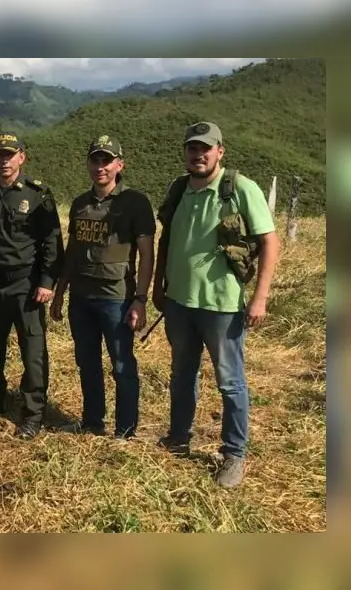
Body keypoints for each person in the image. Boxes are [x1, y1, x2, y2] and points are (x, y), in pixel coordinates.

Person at [153, 121, 281, 488]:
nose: (199, 154)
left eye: (206, 148)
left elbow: (270, 242)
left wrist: (260, 297)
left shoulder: (239, 188)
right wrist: (160, 285)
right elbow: (167, 240)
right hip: (179, 302)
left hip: (222, 305)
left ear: (220, 151)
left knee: (230, 382)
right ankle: (179, 437)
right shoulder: (179, 189)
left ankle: (234, 455)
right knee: (182, 374)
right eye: (193, 148)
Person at [50, 135, 155, 439]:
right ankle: (93, 421)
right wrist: (60, 291)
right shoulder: (82, 203)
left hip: (116, 298)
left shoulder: (134, 202)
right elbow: (73, 250)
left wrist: (140, 299)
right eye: (95, 160)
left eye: (106, 161)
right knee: (87, 362)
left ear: (119, 164)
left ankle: (125, 430)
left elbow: (147, 254)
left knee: (122, 364)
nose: (100, 167)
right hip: (81, 298)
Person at [0, 132, 64, 439]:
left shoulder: (37, 194)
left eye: (10, 155)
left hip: (26, 286)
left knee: (33, 352)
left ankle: (32, 413)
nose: (4, 161)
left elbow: (52, 242)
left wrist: (47, 282)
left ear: (22, 157)